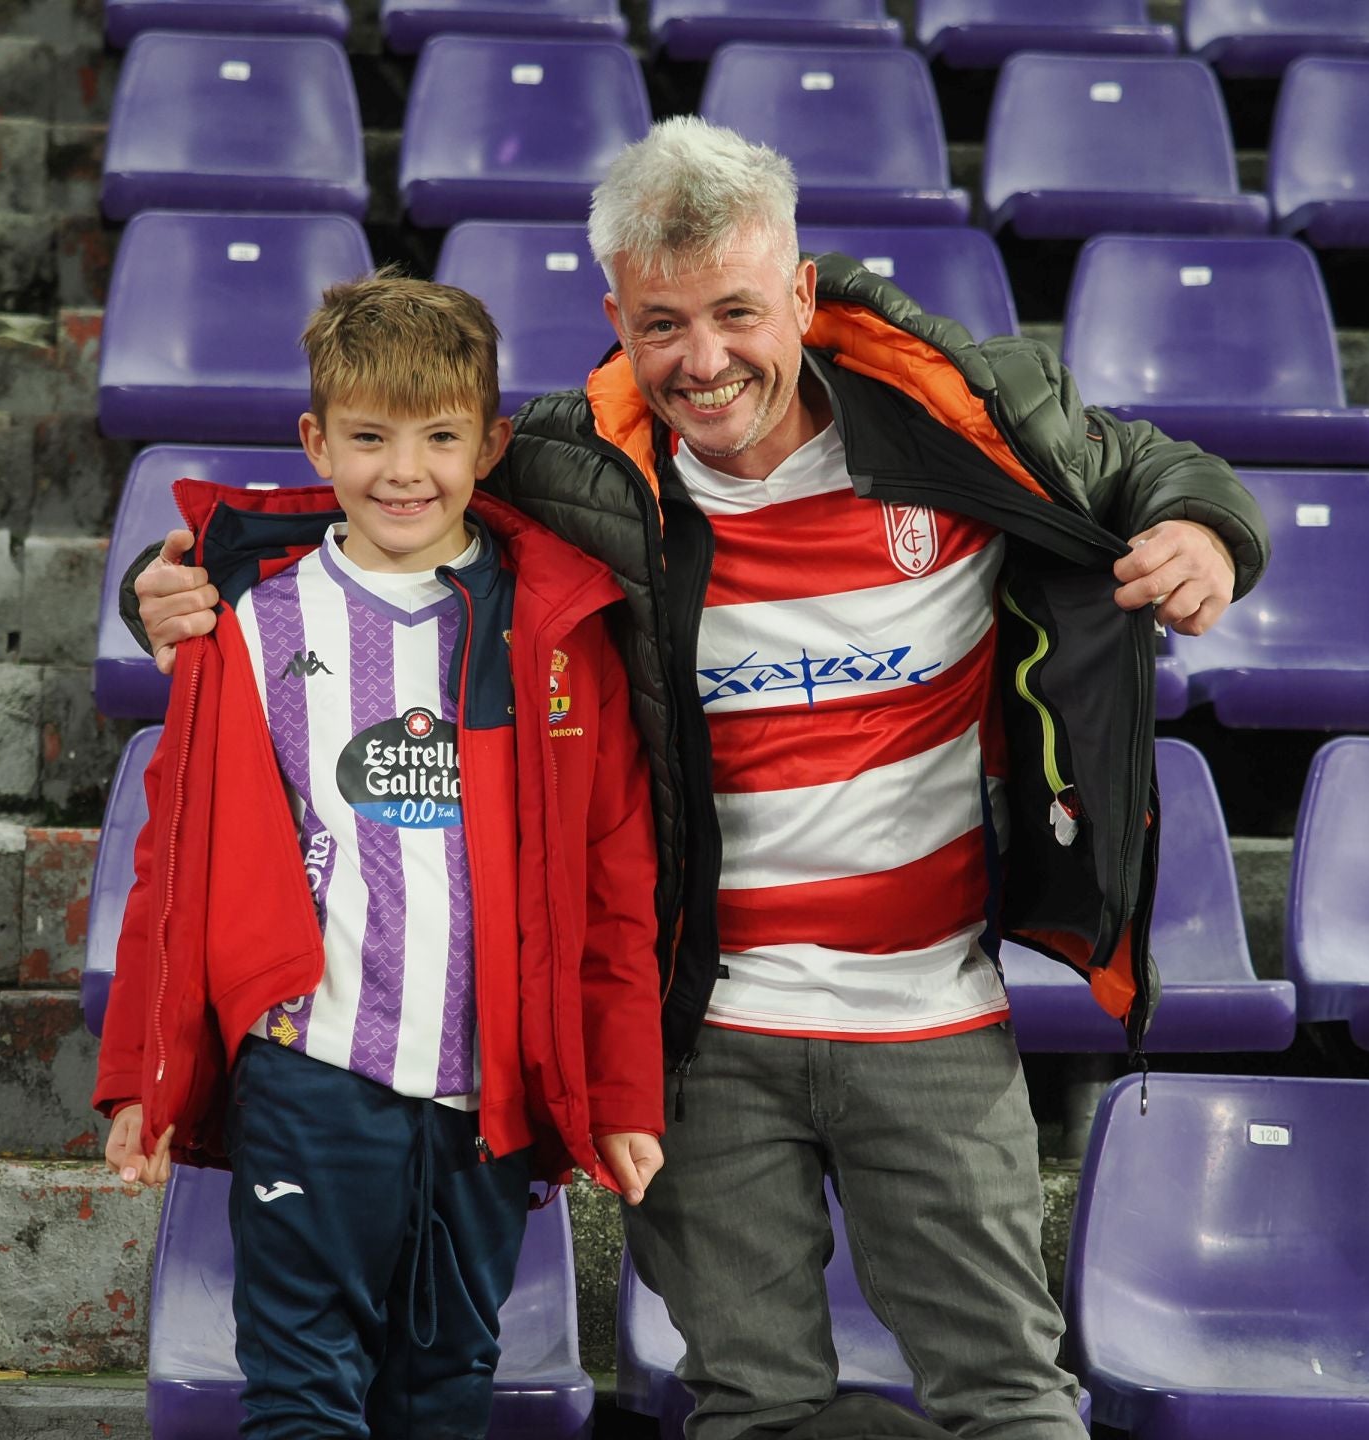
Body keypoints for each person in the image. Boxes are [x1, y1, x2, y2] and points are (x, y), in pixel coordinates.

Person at [127, 121, 1270, 1439]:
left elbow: (1154, 468)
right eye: (663, 324)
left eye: (737, 311)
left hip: (934, 1020)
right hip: (706, 1038)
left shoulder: (971, 418)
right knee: (749, 1403)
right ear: (615, 315)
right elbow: (373, 497)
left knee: (1006, 1397)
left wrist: (1204, 532)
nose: (705, 359)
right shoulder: (571, 472)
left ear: (800, 293)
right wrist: (169, 584)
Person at [93, 272, 665, 1440]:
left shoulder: (551, 630)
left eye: (441, 437)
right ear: (317, 442)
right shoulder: (249, 622)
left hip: (481, 1094)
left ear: (492, 443)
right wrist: (141, 1082)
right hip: (309, 1073)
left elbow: (612, 883)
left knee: (446, 1392)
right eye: (369, 437)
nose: (405, 470)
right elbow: (175, 862)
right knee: (303, 1393)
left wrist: (620, 1088)